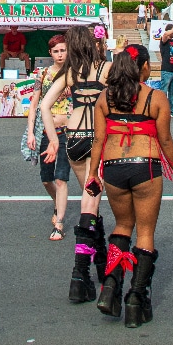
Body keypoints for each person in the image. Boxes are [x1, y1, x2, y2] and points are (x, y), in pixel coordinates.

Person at [90, 44, 173, 327]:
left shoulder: (105, 98)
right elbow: (166, 140)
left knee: (122, 227)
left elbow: (98, 140)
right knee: (145, 232)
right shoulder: (155, 98)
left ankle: (110, 287)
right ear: (143, 66)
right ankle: (136, 297)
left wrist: (93, 174)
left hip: (113, 168)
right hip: (145, 166)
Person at [39, 25, 109, 302]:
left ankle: (98, 264)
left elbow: (45, 105)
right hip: (102, 137)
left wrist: (54, 141)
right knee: (91, 203)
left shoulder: (69, 72)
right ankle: (81, 272)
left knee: (90, 198)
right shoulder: (105, 69)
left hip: (75, 136)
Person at [27, 34, 71, 241]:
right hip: (46, 131)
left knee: (61, 178)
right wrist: (30, 133)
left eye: (63, 50)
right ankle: (58, 203)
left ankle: (59, 222)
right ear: (50, 53)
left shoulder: (73, 73)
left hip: (67, 132)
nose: (60, 54)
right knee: (46, 179)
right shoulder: (43, 74)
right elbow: (34, 104)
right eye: (56, 51)